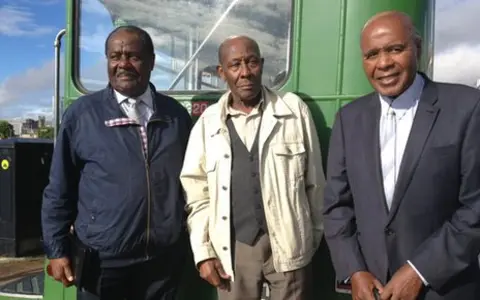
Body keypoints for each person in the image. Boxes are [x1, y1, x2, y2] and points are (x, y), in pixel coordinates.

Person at [323, 10, 480, 300]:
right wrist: (354, 270)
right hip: (373, 291)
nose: (383, 63)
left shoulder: (467, 107)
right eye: (371, 55)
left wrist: (420, 271)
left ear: (417, 48)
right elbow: (336, 208)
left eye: (395, 49)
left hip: (445, 289)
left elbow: (475, 207)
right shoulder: (348, 119)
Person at [41, 25, 192, 300]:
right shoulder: (82, 115)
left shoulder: (176, 116)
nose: (123, 64)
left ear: (151, 62)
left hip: (163, 261)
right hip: (103, 261)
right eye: (115, 56)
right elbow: (59, 188)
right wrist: (57, 249)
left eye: (133, 56)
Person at [179, 35, 325, 299]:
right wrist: (204, 253)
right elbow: (197, 196)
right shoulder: (208, 124)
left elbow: (315, 184)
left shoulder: (293, 110)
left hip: (289, 244)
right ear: (222, 72)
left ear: (262, 64)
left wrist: (308, 241)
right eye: (235, 65)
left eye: (252, 62)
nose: (245, 72)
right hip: (233, 249)